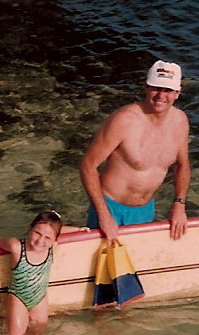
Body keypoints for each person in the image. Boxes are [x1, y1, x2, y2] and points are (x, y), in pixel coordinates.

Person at [79, 60, 190, 242]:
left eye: (168, 90)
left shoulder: (180, 122)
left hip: (145, 211)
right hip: (111, 208)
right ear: (146, 87)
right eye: (156, 88)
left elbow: (182, 165)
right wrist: (104, 215)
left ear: (177, 93)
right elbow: (87, 165)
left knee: (137, 259)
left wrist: (179, 204)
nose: (161, 95)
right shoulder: (124, 120)